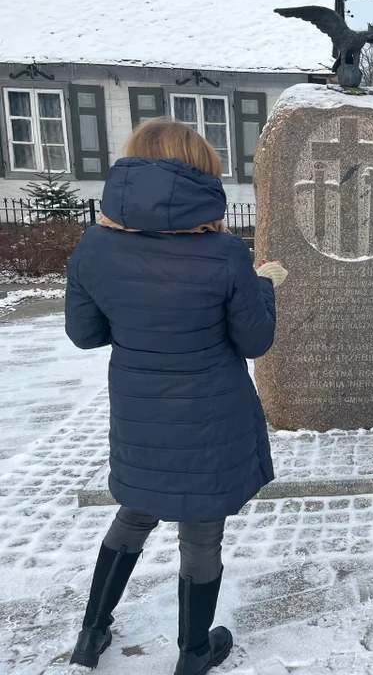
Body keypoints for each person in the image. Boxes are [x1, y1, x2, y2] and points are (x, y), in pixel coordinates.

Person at [65, 120, 288, 674]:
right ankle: (192, 653)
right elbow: (255, 340)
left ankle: (91, 633)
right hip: (211, 418)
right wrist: (264, 284)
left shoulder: (95, 246)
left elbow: (85, 333)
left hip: (142, 413)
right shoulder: (226, 253)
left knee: (134, 512)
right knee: (202, 531)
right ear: (202, 175)